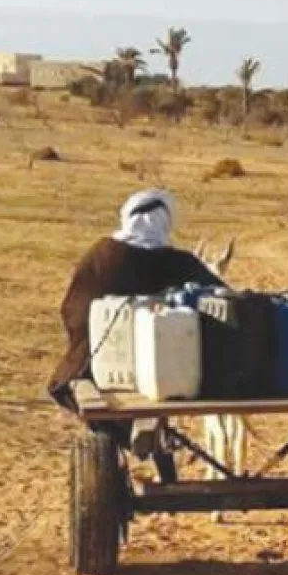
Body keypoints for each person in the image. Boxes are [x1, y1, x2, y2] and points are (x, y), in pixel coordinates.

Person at [47, 189, 225, 475]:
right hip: (177, 372)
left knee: (67, 384)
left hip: (103, 363)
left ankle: (128, 432)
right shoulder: (179, 262)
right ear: (166, 221)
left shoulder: (100, 254)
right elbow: (226, 302)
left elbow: (72, 308)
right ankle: (149, 436)